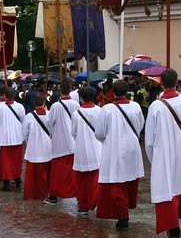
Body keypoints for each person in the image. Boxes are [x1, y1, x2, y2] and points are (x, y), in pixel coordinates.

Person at [144, 68, 181, 238]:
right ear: (177, 81)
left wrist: (154, 158)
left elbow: (149, 138)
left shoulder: (156, 106)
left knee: (166, 187)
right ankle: (175, 224)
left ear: (161, 84)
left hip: (162, 151)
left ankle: (171, 225)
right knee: (179, 183)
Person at [94, 79, 144, 230]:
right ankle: (125, 212)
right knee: (129, 180)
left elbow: (99, 133)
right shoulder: (135, 107)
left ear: (113, 92)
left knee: (118, 183)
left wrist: (109, 140)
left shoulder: (107, 110)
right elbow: (141, 125)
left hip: (115, 148)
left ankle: (122, 217)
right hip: (132, 147)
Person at [71, 86, 102, 214]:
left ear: (81, 99)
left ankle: (83, 205)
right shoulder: (100, 111)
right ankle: (96, 201)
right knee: (96, 178)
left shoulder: (76, 114)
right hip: (97, 148)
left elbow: (73, 133)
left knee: (83, 180)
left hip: (82, 148)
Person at [46, 81, 79, 202]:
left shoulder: (55, 106)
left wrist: (52, 134)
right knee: (72, 169)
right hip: (72, 141)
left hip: (59, 140)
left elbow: (50, 123)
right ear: (70, 89)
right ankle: (75, 192)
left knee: (58, 171)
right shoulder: (75, 104)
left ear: (60, 90)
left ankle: (54, 195)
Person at [0, 87, 25, 191]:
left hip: (4, 138)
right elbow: (23, 120)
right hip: (17, 137)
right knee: (17, 160)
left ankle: (6, 183)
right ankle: (17, 179)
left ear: (5, 96)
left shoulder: (0, 108)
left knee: (6, 161)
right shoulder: (20, 106)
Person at [21, 93, 54, 201]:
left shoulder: (29, 116)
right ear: (44, 103)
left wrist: (29, 142)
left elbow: (24, 133)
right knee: (47, 172)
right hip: (47, 147)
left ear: (34, 103)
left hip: (33, 148)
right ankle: (46, 191)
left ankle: (33, 193)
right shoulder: (50, 115)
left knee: (33, 175)